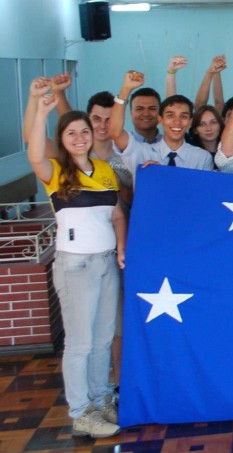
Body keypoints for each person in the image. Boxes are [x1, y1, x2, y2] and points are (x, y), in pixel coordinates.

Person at [26, 92, 125, 438]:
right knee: (80, 343)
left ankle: (101, 399)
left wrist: (122, 246)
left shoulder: (104, 170)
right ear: (62, 139)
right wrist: (41, 111)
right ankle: (81, 413)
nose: (80, 138)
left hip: (106, 262)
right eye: (71, 133)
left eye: (84, 131)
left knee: (102, 339)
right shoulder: (54, 171)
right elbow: (34, 154)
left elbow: (116, 214)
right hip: (75, 267)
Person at [111, 71, 214, 175]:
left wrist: (161, 176)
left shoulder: (202, 158)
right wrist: (126, 89)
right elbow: (116, 133)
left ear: (190, 122)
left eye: (183, 116)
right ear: (160, 119)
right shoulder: (143, 152)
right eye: (170, 115)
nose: (177, 121)